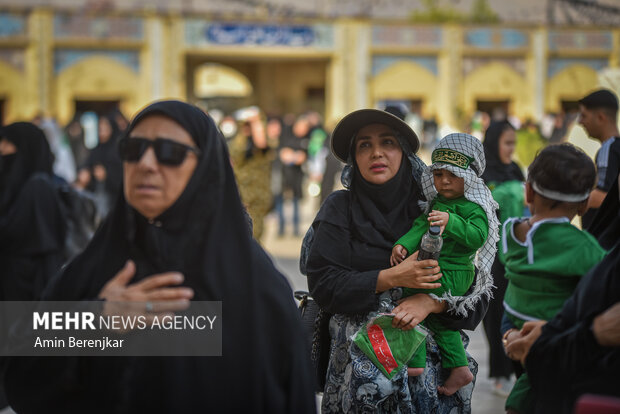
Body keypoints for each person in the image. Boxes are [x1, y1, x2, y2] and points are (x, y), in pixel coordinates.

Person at [4, 100, 316, 413]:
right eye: (134, 150)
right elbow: (21, 377)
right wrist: (96, 320)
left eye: (170, 153)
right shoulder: (96, 269)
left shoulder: (254, 284)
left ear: (206, 165)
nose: (147, 164)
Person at [306, 109, 492, 413]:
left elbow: (478, 293)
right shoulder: (340, 208)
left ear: (404, 153)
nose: (376, 152)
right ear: (354, 158)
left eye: (388, 142)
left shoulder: (438, 209)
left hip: (432, 388)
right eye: (364, 145)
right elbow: (325, 285)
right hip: (359, 386)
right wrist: (393, 277)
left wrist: (431, 302)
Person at [500, 143, 606, 413]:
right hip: (553, 333)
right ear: (584, 204)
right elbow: (607, 279)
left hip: (512, 320)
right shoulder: (583, 246)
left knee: (529, 382)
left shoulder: (509, 233)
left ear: (528, 191)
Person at [391, 133, 499, 396]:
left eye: (453, 175)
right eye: (438, 175)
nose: (444, 181)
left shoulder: (475, 207)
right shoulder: (438, 203)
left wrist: (451, 222)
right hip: (437, 267)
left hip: (458, 271)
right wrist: (403, 245)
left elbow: (477, 237)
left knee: (410, 296)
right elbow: (420, 226)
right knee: (438, 320)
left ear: (470, 177)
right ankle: (459, 367)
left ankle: (414, 361)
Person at [480, 119, 525, 395]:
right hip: (491, 253)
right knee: (495, 313)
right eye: (507, 143)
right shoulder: (483, 173)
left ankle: (518, 367)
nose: (511, 149)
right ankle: (500, 372)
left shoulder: (515, 169)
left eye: (513, 143)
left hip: (518, 251)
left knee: (516, 309)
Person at [0, 122, 67, 301]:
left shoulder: (38, 188)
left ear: (26, 148)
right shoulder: (15, 188)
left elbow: (48, 254)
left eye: (8, 143)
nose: (2, 149)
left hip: (28, 291)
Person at [578, 89, 620, 230]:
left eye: (584, 116)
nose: (580, 122)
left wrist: (567, 202)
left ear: (601, 118)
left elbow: (603, 195)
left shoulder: (609, 149)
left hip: (604, 241)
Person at [230, 107, 274, 241]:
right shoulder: (240, 141)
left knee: (257, 232)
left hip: (259, 195)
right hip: (244, 194)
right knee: (249, 234)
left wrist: (255, 121)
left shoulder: (262, 143)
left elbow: (262, 143)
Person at [75, 114, 123, 217]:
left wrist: (107, 175)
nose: (102, 132)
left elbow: (121, 175)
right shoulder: (96, 150)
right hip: (95, 197)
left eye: (105, 129)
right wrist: (85, 172)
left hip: (112, 200)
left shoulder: (117, 150)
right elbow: (87, 164)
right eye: (100, 129)